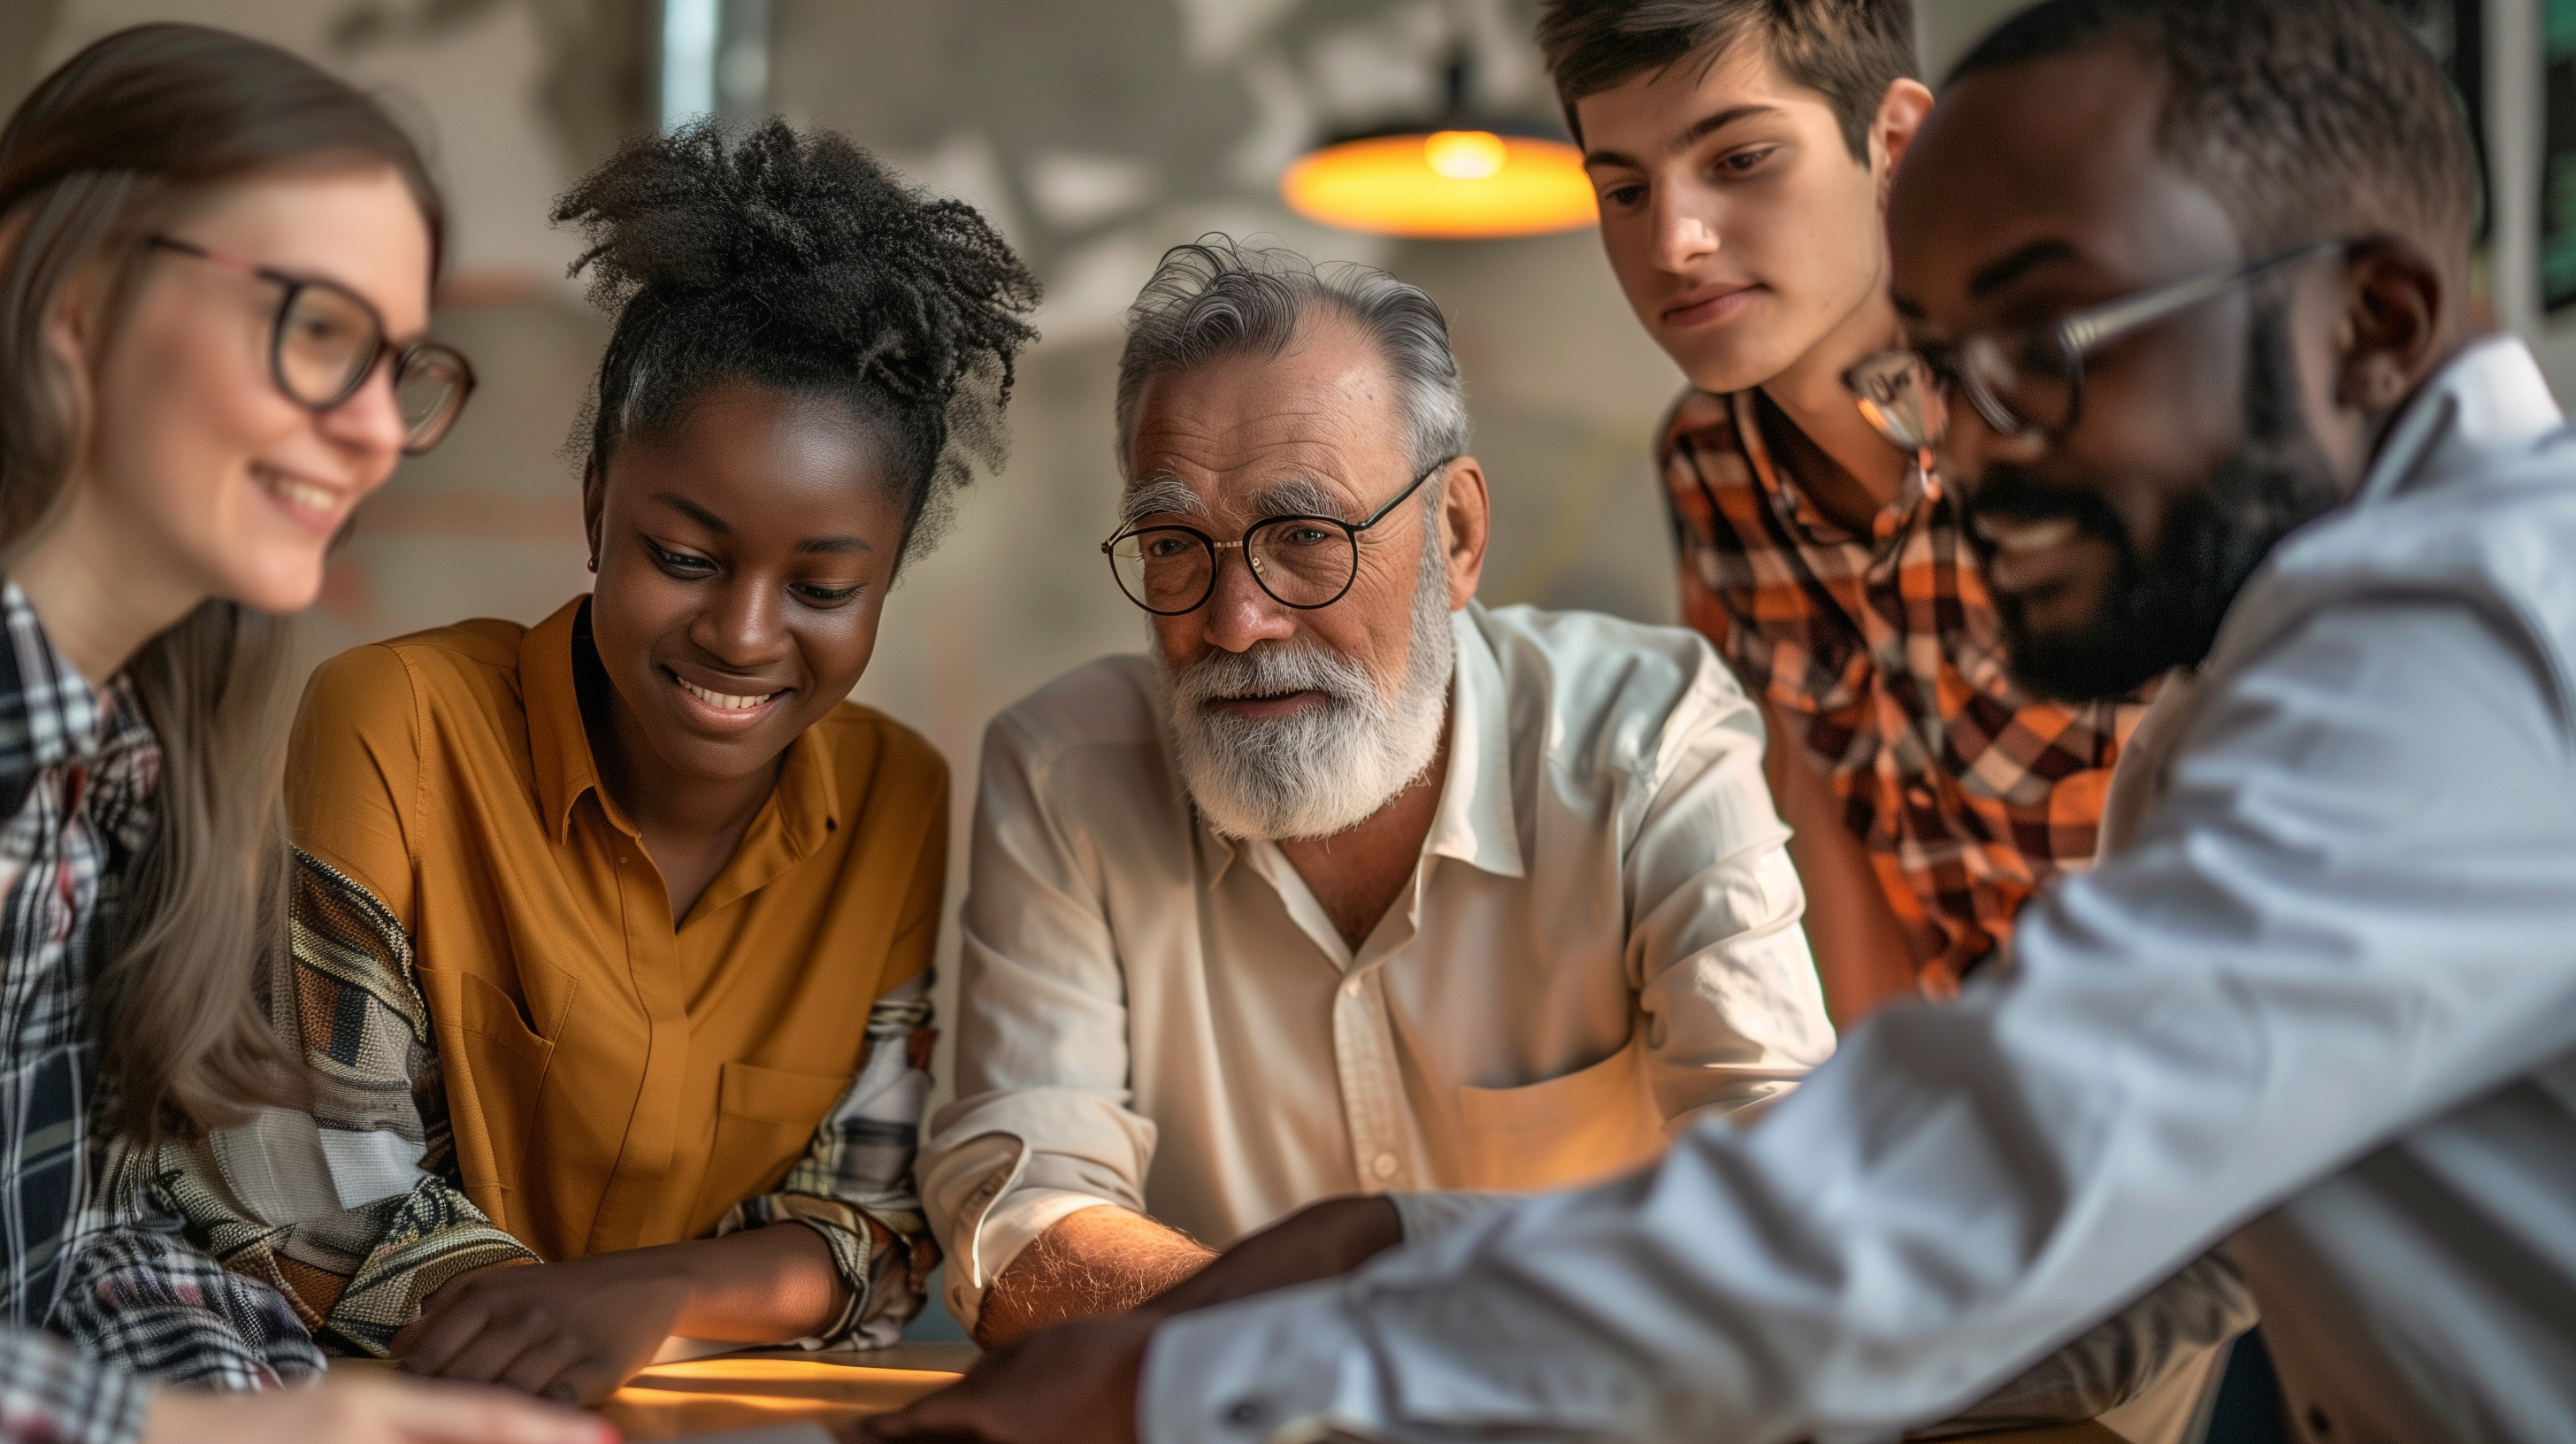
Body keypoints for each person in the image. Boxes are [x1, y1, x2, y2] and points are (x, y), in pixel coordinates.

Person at [870, 1, 2576, 1440]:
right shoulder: (2243, 687)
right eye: (1946, 369)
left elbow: (1969, 1194)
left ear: (2373, 320)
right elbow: (2111, 1258)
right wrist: (1391, 1247)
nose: (1967, 447)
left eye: (2047, 345)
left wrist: (1226, 1367)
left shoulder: (2472, 630)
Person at [167, 119, 1039, 1406]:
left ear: (886, 581)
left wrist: (654, 1297)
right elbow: (307, 1202)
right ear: (595, 511)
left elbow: (873, 1227)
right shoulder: (394, 721)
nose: (743, 633)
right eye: (683, 557)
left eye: (822, 584)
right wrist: (613, 1314)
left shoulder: (896, 798)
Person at [915, 237, 1836, 1348]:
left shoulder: (1649, 743)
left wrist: (1329, 1323)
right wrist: (1366, 1340)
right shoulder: (1064, 775)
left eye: (1304, 536)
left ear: (1454, 535)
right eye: (1173, 544)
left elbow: (1784, 1195)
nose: (1233, 621)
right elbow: (1017, 1218)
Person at [0, 21, 606, 1444]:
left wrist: (284, 1408)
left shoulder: (132, 769)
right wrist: (179, 1435)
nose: (373, 432)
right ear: (71, 298)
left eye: (397, 365)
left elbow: (72, 1251)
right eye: (316, 329)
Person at [1542, 0, 2148, 1022]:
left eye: (1739, 159)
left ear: (1895, 146)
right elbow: (1809, 837)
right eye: (1625, 189)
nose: (1673, 241)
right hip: (1948, 1098)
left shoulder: (2083, 424)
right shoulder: (1709, 466)